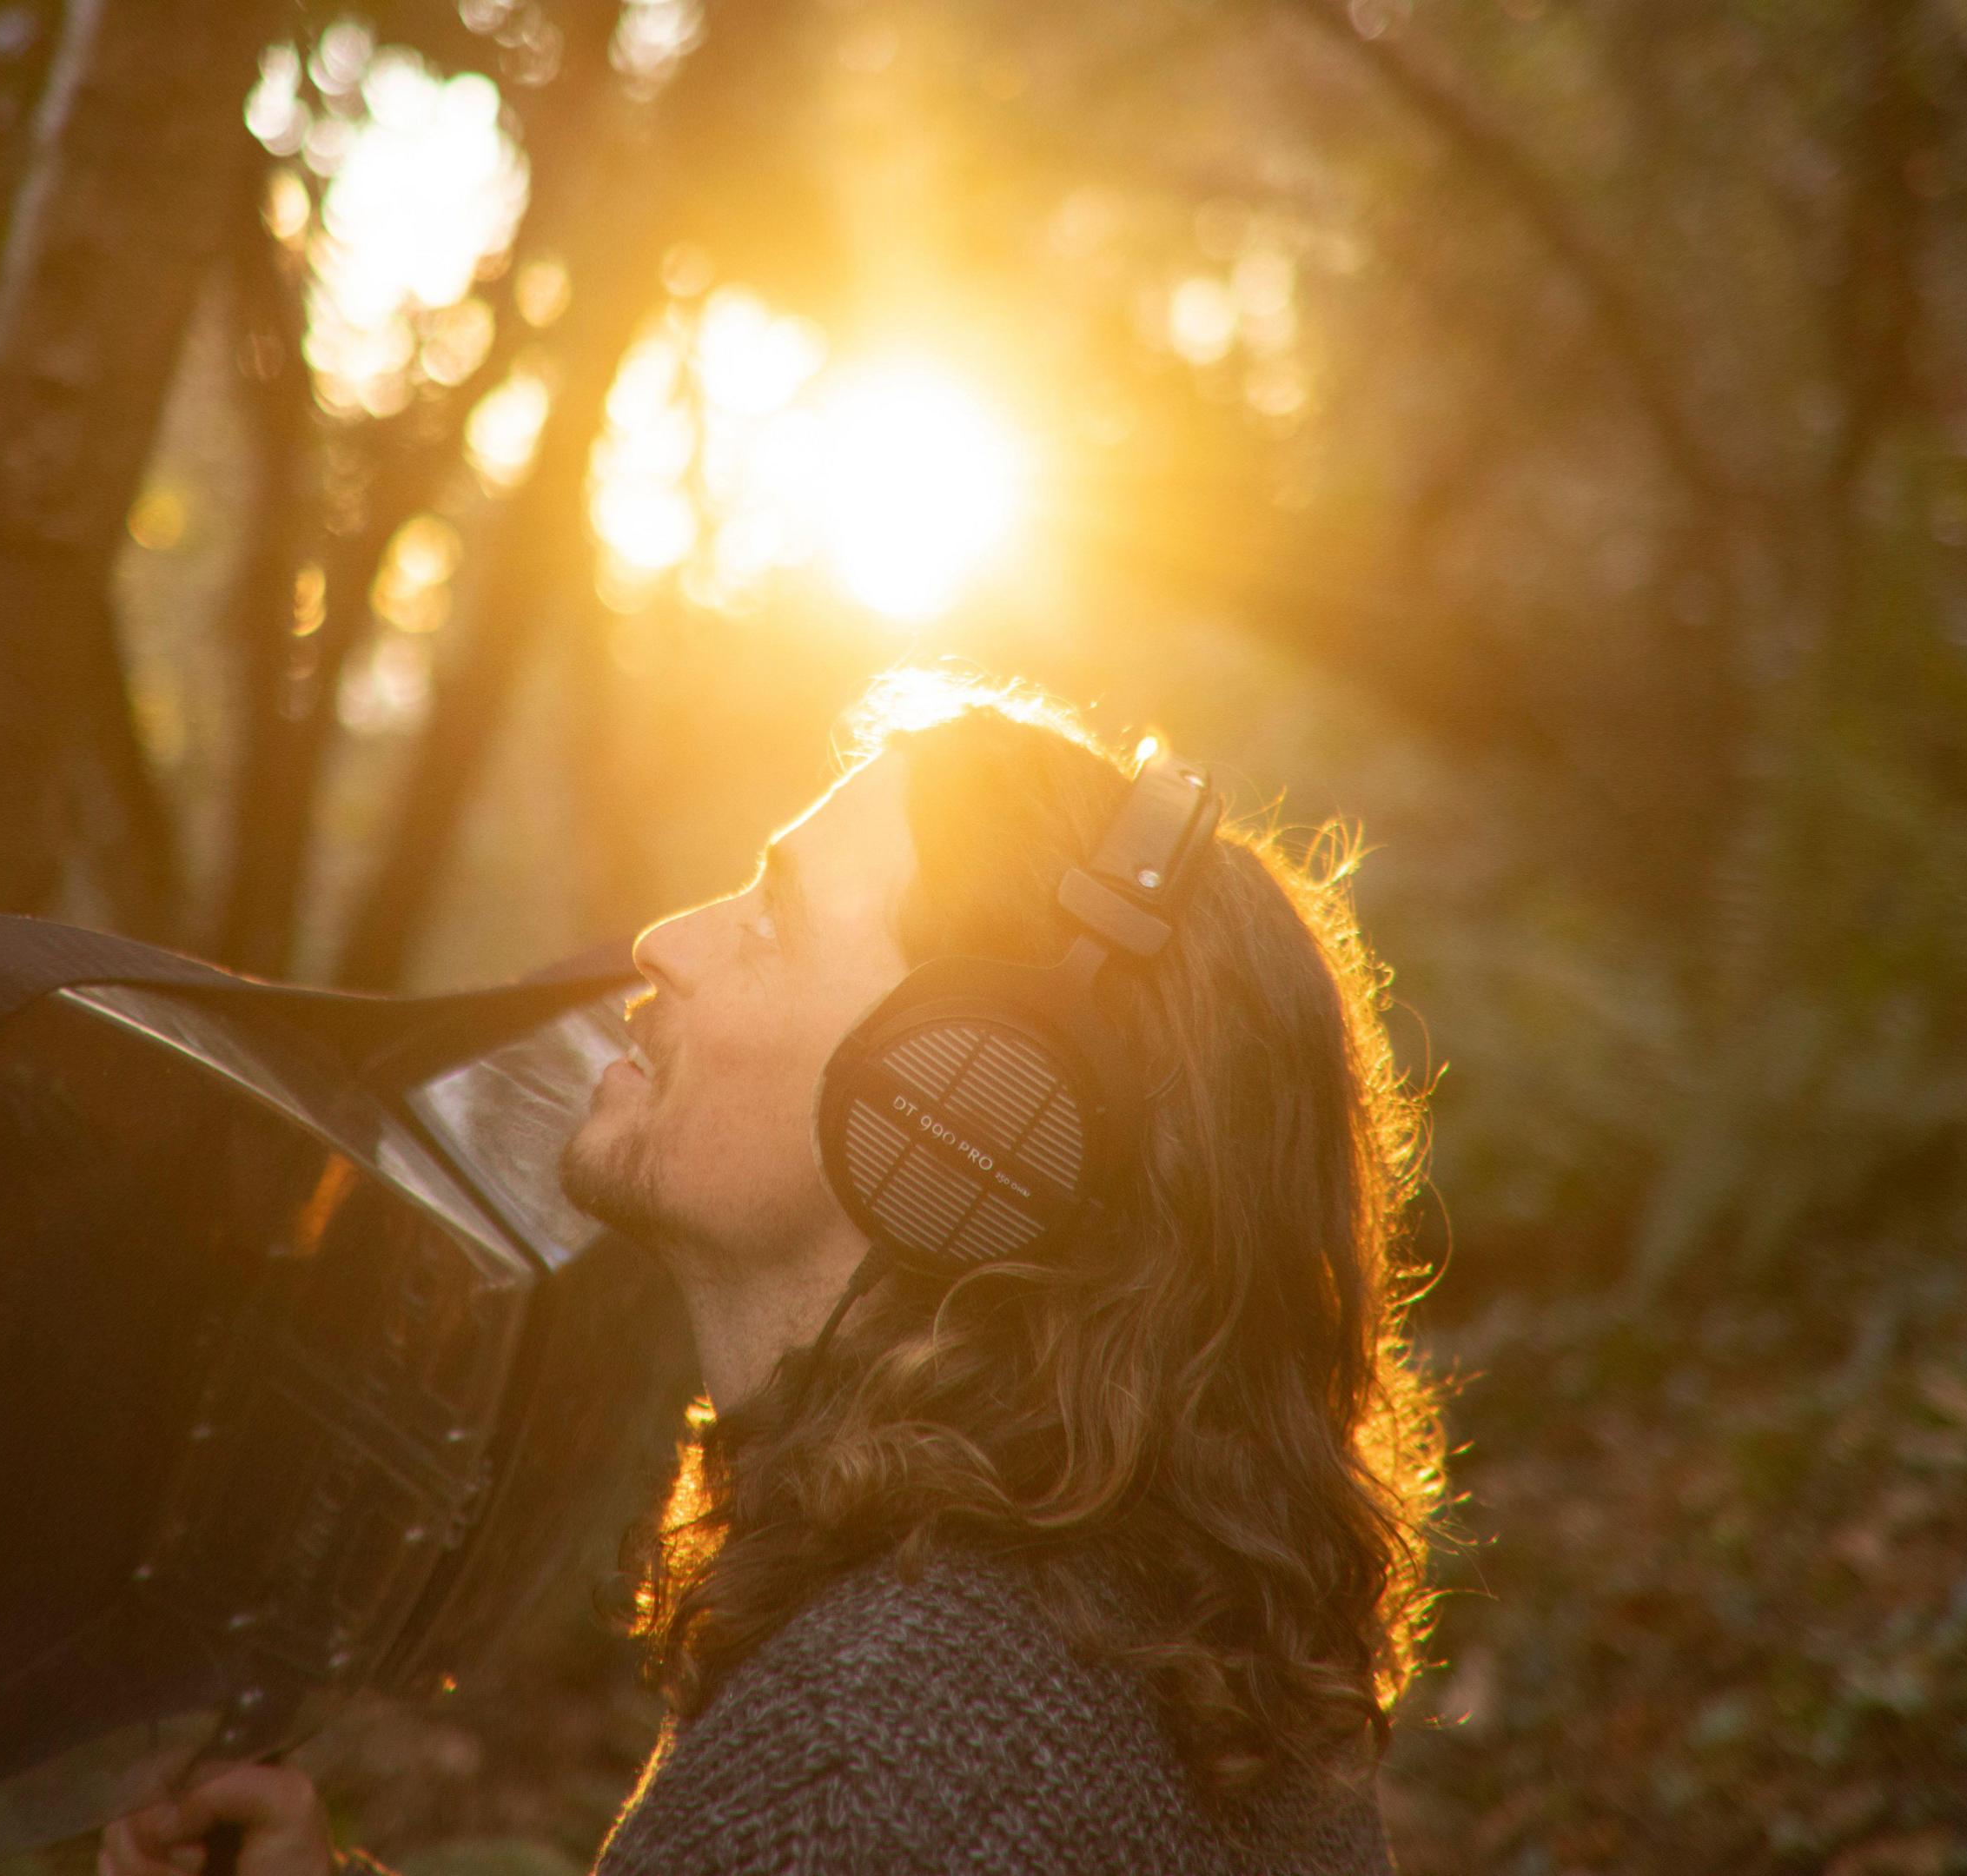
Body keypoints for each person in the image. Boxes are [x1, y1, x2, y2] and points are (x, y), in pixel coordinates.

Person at [103, 674, 1443, 1876]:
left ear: (965, 1110)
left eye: (769, 920)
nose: (665, 940)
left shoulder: (876, 1752)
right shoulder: (1123, 1625)